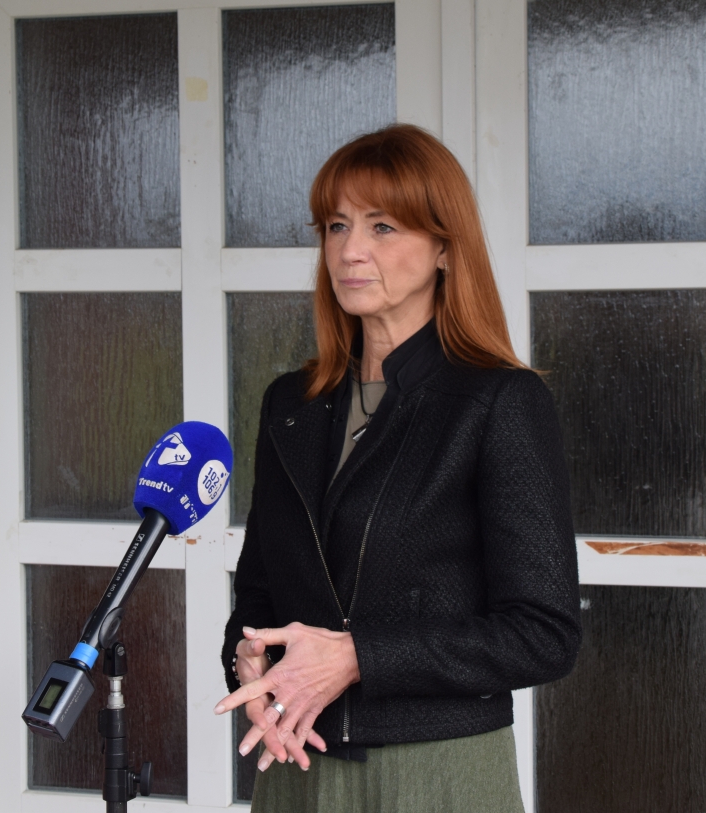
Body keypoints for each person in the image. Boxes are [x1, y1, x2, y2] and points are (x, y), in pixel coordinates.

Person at [215, 124, 580, 812]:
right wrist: (250, 659)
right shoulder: (291, 405)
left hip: (437, 771)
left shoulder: (498, 402)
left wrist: (358, 656)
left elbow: (544, 634)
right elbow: (260, 589)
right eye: (336, 225)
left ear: (445, 247)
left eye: (382, 226)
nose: (349, 250)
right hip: (296, 765)